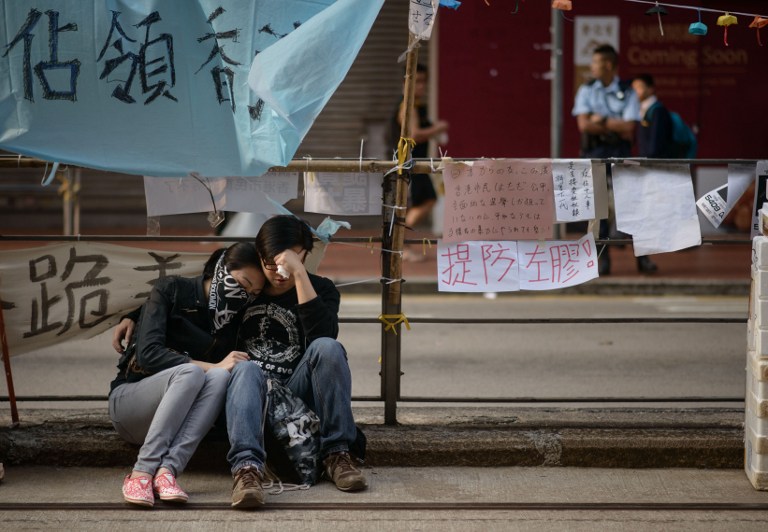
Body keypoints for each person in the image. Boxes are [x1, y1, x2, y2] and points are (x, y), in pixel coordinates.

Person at [226, 215, 366, 509]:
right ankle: (246, 469)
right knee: (247, 368)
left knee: (328, 347)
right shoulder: (245, 286)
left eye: (288, 262)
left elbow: (322, 338)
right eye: (271, 263)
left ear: (305, 255)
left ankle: (337, 455)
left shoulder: (322, 289)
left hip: (298, 395)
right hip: (251, 398)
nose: (279, 273)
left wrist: (300, 275)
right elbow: (196, 294)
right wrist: (135, 317)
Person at [109, 242, 264, 507]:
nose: (245, 294)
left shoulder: (233, 322)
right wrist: (210, 365)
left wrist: (216, 370)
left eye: (253, 292)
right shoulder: (172, 289)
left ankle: (167, 471)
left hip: (181, 418)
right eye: (243, 282)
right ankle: (141, 473)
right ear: (221, 269)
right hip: (131, 405)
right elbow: (149, 355)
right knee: (194, 372)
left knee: (220, 377)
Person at [572, 44, 657, 275]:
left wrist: (601, 121)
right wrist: (611, 124)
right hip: (595, 155)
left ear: (608, 65)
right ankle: (602, 257)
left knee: (633, 206)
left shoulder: (628, 91)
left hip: (621, 154)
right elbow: (583, 125)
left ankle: (643, 257)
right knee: (598, 210)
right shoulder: (587, 90)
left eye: (595, 63)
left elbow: (629, 127)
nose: (592, 67)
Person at [390, 63, 449, 261]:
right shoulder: (406, 106)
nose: (422, 86)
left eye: (424, 82)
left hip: (417, 164)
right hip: (409, 164)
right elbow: (413, 134)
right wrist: (438, 128)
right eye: (418, 82)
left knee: (423, 201)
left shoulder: (416, 105)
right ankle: (401, 244)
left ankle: (400, 243)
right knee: (421, 201)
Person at [631, 73, 677, 159]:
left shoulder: (657, 111)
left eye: (639, 87)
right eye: (633, 88)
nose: (635, 91)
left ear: (650, 89)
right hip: (646, 162)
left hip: (655, 164)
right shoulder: (642, 109)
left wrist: (648, 162)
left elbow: (656, 144)